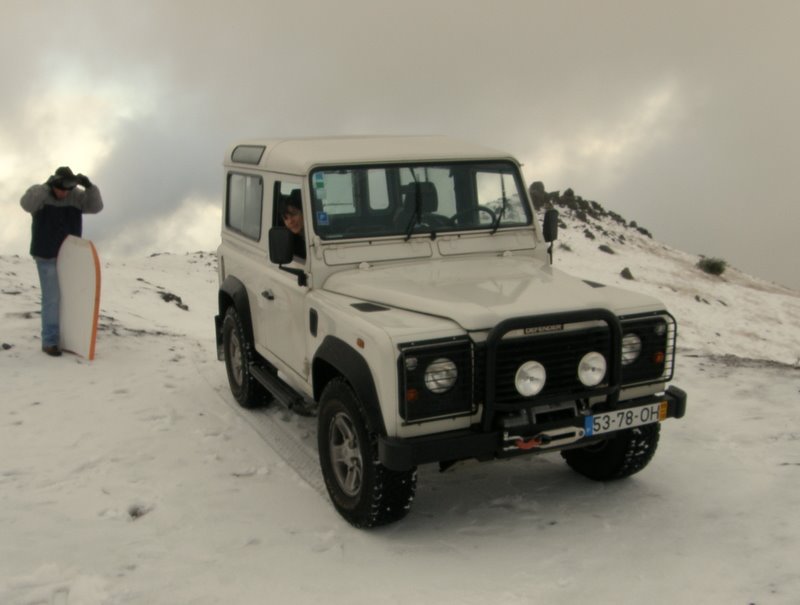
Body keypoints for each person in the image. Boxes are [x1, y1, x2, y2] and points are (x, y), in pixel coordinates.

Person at [20, 166, 104, 356]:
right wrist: (45, 187)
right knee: (52, 298)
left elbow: (97, 207)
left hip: (70, 257)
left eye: (67, 189)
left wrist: (90, 186)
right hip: (46, 254)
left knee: (71, 297)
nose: (64, 193)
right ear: (54, 183)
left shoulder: (76, 196)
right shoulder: (41, 195)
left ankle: (70, 340)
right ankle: (50, 341)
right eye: (60, 189)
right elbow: (26, 204)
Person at [279, 189, 306, 260]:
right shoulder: (288, 243)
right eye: (286, 218)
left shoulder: (321, 233)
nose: (290, 221)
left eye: (294, 214)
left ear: (304, 213)